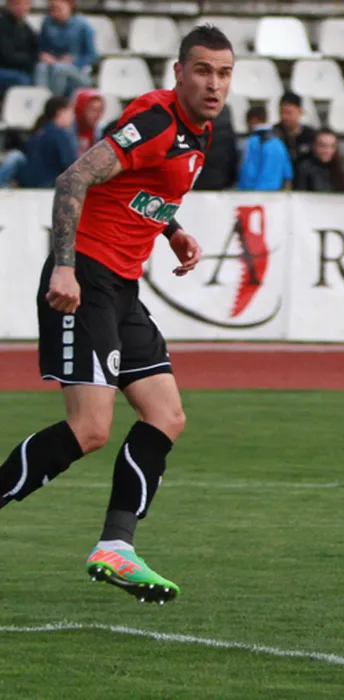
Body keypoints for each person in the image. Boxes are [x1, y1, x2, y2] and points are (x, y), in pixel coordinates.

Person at [0, 25, 233, 605]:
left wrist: (172, 230)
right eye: (203, 70)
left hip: (122, 287)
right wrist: (63, 267)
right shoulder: (156, 121)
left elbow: (139, 185)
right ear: (178, 73)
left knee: (166, 415)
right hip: (86, 278)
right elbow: (74, 177)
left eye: (224, 73)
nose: (214, 83)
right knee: (91, 428)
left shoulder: (200, 130)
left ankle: (116, 546)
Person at [34, 0, 97, 97]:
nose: (55, 13)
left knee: (60, 68)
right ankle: (40, 99)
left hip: (79, 70)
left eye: (59, 9)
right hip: (52, 64)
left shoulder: (83, 26)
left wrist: (73, 60)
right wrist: (44, 56)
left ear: (70, 6)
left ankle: (55, 101)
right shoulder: (47, 23)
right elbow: (41, 48)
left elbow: (92, 56)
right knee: (41, 68)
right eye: (52, 9)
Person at [15, 94, 78, 188]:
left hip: (28, 185)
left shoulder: (39, 131)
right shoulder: (62, 134)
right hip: (50, 185)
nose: (73, 117)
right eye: (71, 112)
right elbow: (69, 164)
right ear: (60, 112)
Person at [238, 105, 293, 191]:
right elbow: (287, 173)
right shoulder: (278, 141)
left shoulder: (252, 141)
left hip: (254, 193)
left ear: (253, 120)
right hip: (275, 194)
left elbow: (247, 170)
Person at [192, 102, 238, 190]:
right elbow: (233, 156)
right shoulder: (228, 132)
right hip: (221, 181)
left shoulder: (197, 129)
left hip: (197, 181)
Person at [272, 91, 315, 173]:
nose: (284, 117)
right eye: (281, 112)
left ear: (300, 111)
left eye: (288, 112)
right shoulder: (273, 134)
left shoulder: (310, 135)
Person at [294, 128, 344, 193]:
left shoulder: (338, 168)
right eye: (323, 146)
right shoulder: (304, 168)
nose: (328, 151)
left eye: (332, 146)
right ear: (313, 146)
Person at [0, 0, 36, 92]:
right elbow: (8, 57)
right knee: (23, 79)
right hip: (4, 69)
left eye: (25, 4)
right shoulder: (3, 25)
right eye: (17, 4)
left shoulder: (26, 27)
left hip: (21, 68)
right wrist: (32, 58)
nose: (22, 7)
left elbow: (36, 48)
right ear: (9, 6)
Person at [73, 88, 104, 156]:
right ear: (80, 109)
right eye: (93, 109)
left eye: (100, 110)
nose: (97, 114)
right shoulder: (66, 131)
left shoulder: (102, 131)